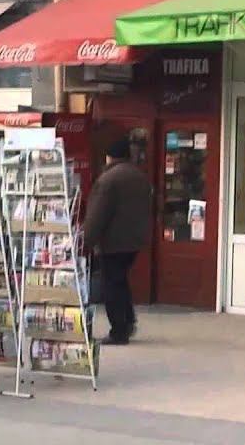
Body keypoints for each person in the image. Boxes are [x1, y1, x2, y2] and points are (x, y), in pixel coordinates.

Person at [83, 138, 151, 345]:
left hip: (113, 242)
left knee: (112, 285)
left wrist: (86, 241)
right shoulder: (139, 176)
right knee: (120, 281)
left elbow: (97, 215)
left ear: (109, 157)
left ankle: (119, 331)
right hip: (133, 240)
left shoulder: (108, 180)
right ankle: (128, 322)